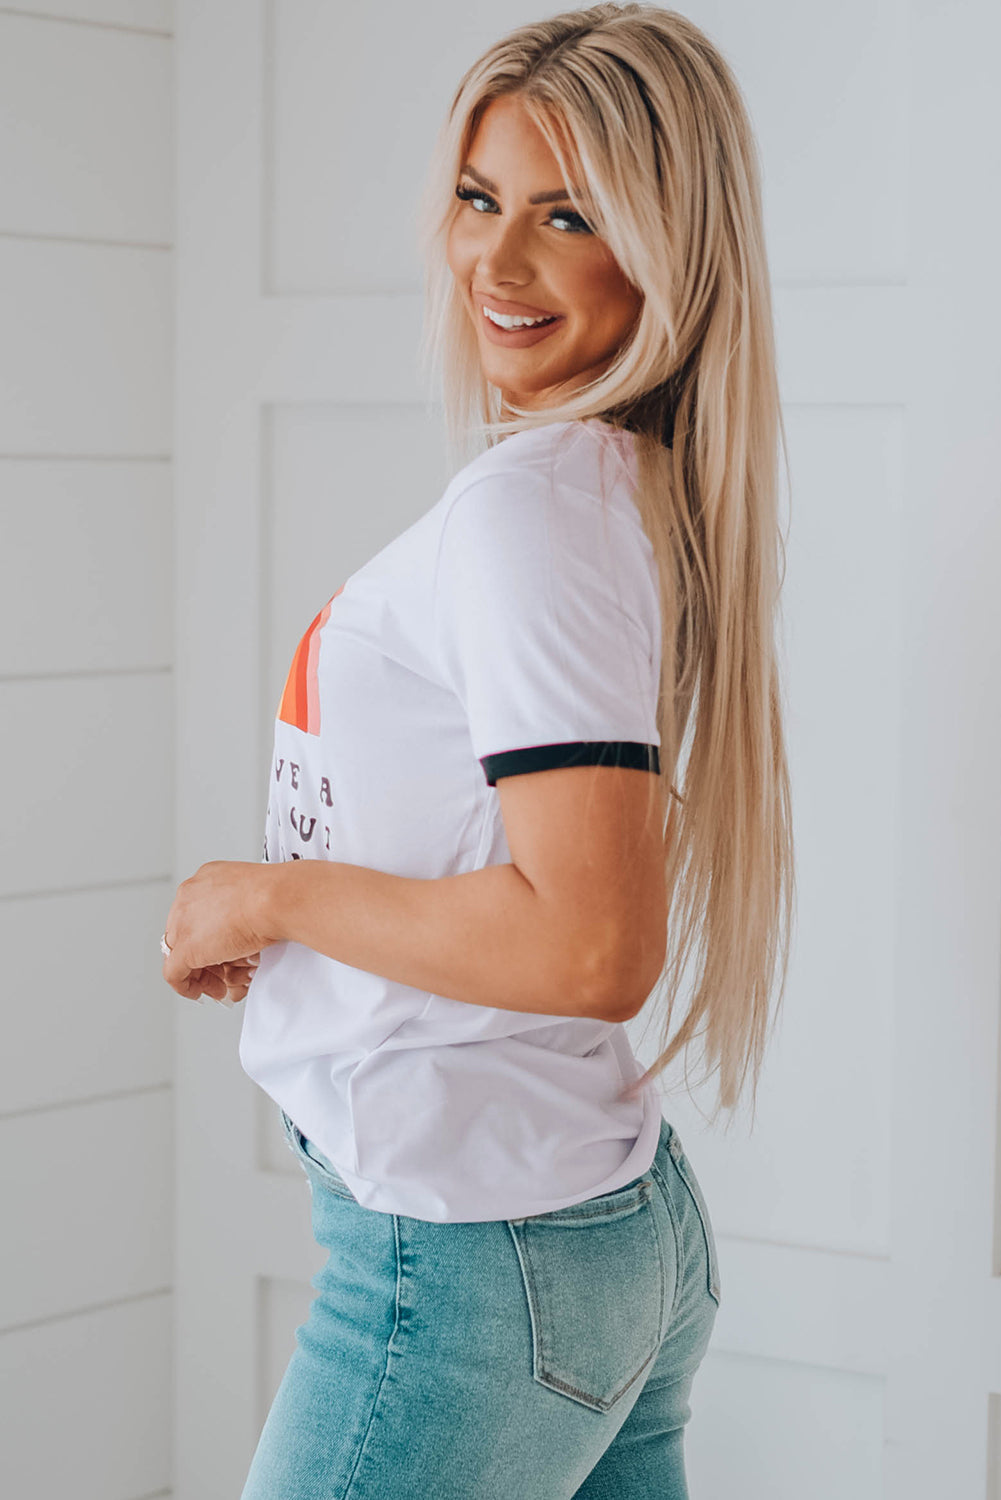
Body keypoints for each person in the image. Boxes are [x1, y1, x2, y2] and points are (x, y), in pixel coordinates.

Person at [161, 5, 795, 1494]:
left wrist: (268, 896)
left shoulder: (538, 513)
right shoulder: (604, 491)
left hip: (461, 1262)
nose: (495, 265)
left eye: (565, 215)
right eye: (477, 198)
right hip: (580, 1230)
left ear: (665, 246)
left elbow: (589, 949)